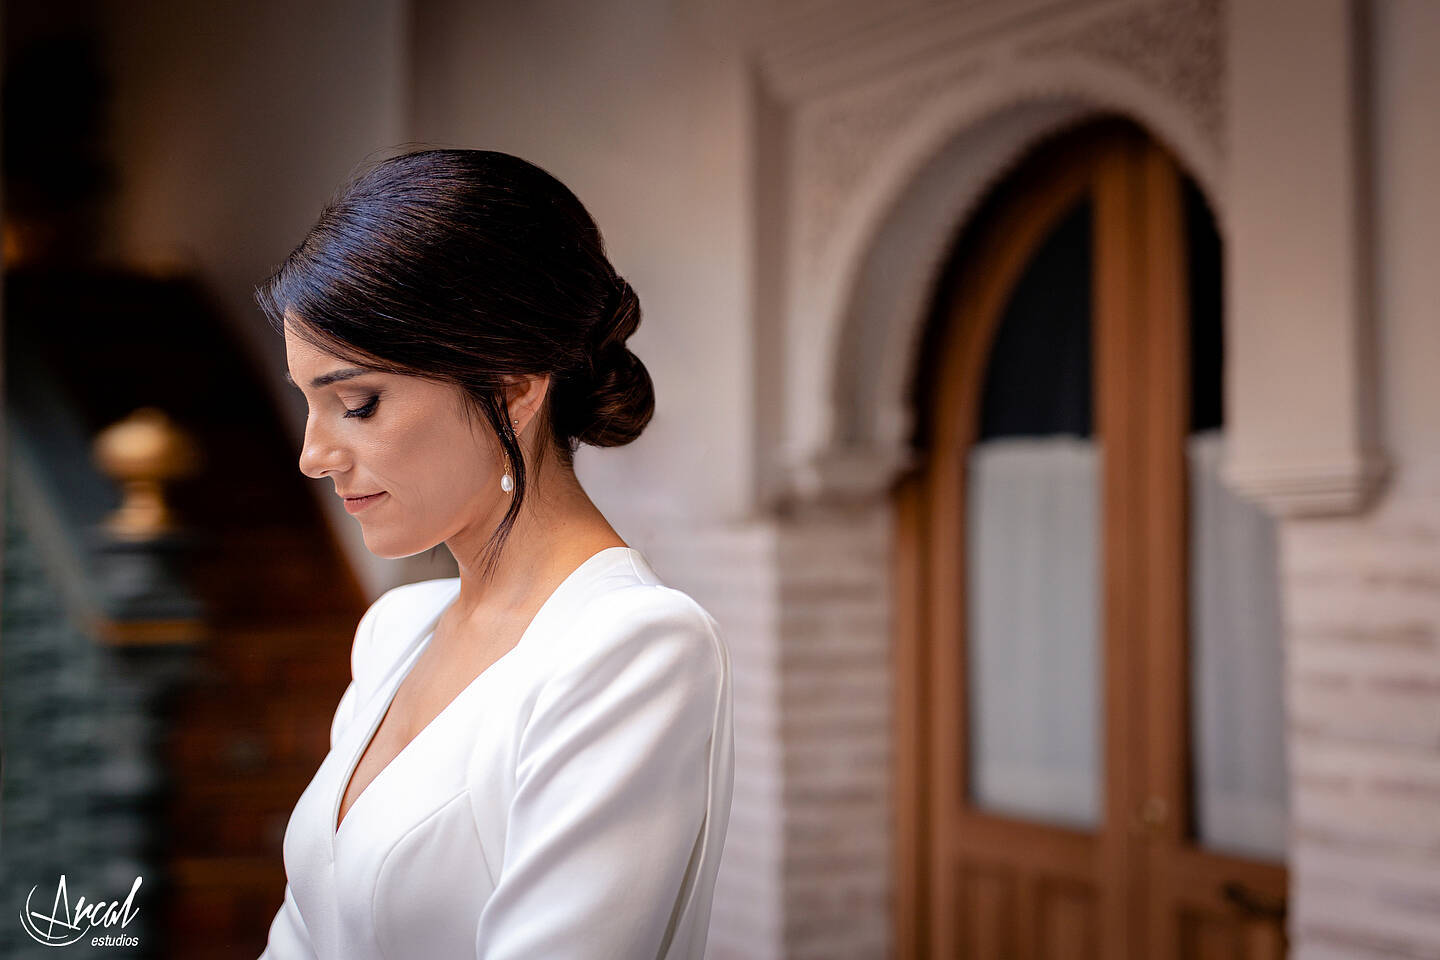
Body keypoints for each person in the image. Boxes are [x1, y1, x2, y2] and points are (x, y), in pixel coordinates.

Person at [253, 149, 734, 959]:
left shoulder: (632, 650)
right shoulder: (395, 631)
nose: (312, 454)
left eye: (357, 404)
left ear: (514, 384)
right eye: (311, 405)